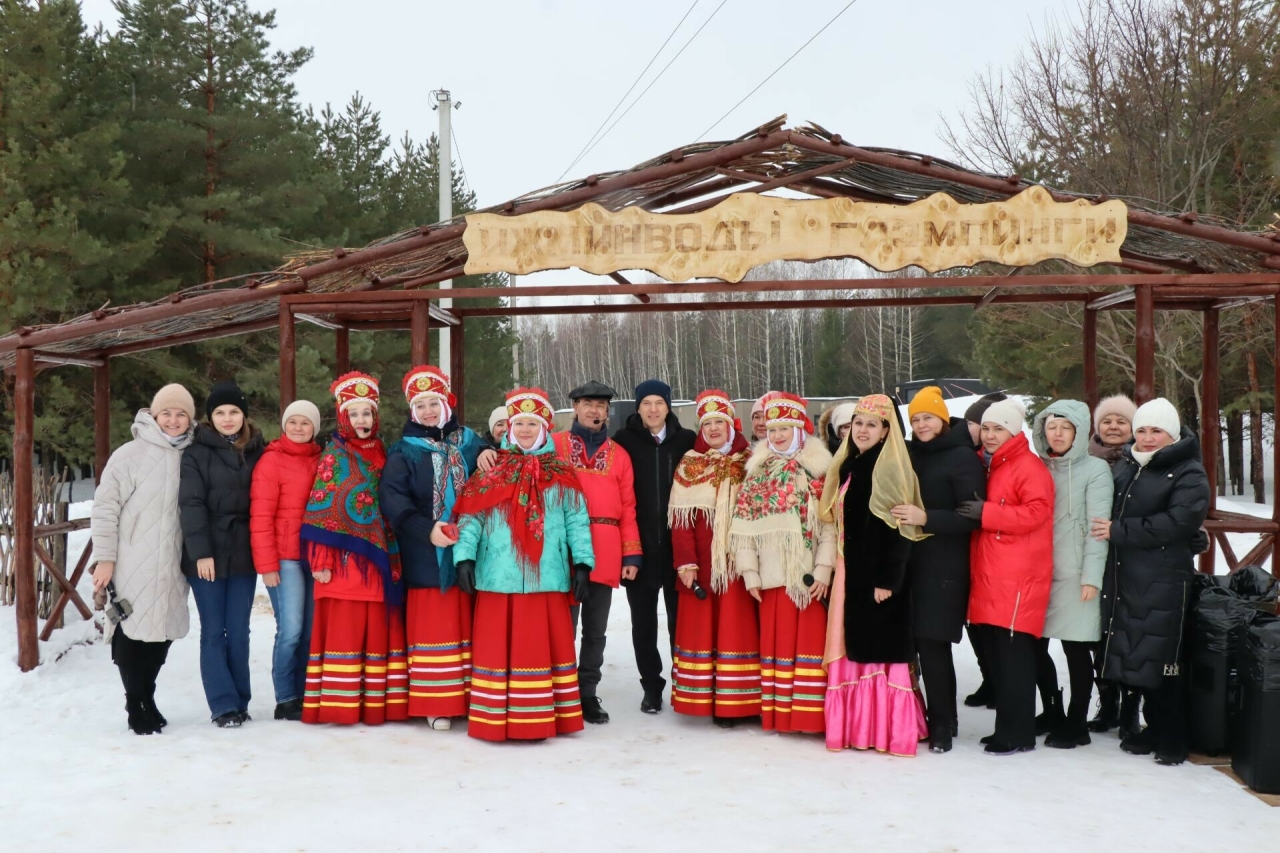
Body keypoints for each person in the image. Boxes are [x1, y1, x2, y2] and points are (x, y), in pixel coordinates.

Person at [453, 387, 594, 742]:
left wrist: (582, 564)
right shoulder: (490, 469)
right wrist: (464, 558)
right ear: (509, 429)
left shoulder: (561, 471)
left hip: (545, 576)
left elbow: (577, 521)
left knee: (537, 647)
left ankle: (540, 719)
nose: (526, 430)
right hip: (497, 577)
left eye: (532, 423)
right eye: (519, 424)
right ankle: (494, 718)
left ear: (544, 428)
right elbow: (471, 516)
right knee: (497, 649)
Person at [1092, 398, 1209, 766]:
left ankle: (1173, 737)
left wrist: (1118, 531)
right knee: (1138, 655)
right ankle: (1152, 727)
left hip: (1163, 579)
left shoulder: (1188, 471)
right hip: (1128, 577)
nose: (1146, 437)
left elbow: (1178, 523)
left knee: (1165, 661)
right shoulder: (1129, 467)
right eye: (1141, 430)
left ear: (1171, 433)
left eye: (1155, 430)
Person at [380, 366, 488, 730]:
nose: (428, 411)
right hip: (426, 554)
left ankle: (473, 697)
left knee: (470, 621)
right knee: (435, 625)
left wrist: (490, 453)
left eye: (433, 403)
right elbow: (393, 502)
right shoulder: (403, 452)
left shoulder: (471, 443)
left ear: (446, 404)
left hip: (472, 550)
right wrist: (428, 531)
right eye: (421, 405)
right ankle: (437, 702)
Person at [822, 394, 929, 755]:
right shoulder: (853, 463)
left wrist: (888, 580)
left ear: (886, 431)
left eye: (872, 424)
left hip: (877, 577)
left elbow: (900, 532)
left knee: (880, 652)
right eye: (858, 423)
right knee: (854, 647)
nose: (863, 430)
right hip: (851, 571)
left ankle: (886, 731)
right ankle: (857, 727)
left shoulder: (890, 469)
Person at [301, 373, 409, 726]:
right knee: (346, 629)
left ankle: (376, 704)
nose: (362, 420)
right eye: (355, 413)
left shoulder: (384, 452)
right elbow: (322, 508)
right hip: (344, 562)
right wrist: (321, 559)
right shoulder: (334, 456)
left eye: (367, 413)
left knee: (376, 627)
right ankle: (341, 705)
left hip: (379, 559)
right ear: (344, 417)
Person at [91, 385, 197, 735]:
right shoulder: (129, 454)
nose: (173, 419)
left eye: (181, 414)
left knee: (162, 632)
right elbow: (105, 508)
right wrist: (104, 558)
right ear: (154, 415)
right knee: (132, 631)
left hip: (174, 559)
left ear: (190, 419)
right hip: (133, 556)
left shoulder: (194, 454)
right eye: (166, 412)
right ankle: (135, 701)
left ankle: (147, 695)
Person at [730, 391, 836, 734]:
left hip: (804, 575)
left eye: (784, 430)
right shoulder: (757, 472)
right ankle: (779, 715)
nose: (776, 436)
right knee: (776, 643)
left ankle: (808, 716)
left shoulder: (818, 470)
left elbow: (830, 526)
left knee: (807, 643)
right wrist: (750, 573)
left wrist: (823, 569)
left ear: (799, 432)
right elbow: (743, 528)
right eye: (772, 430)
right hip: (771, 575)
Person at [890, 385, 987, 753]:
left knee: (933, 644)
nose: (921, 424)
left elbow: (972, 514)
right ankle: (925, 716)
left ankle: (943, 723)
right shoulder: (912, 453)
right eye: (915, 419)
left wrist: (925, 517)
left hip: (944, 564)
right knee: (914, 643)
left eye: (928, 417)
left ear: (942, 418)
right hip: (911, 562)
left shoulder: (962, 457)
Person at [961, 398, 1054, 755]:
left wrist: (986, 513)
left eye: (998, 428)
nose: (990, 434)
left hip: (1019, 577)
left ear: (1014, 430)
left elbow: (1036, 513)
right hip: (997, 574)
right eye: (986, 428)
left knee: (1015, 659)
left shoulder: (1027, 466)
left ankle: (1018, 734)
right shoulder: (995, 464)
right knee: (1001, 657)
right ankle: (1010, 728)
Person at [552, 380, 643, 725]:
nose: (594, 410)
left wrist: (631, 554)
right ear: (574, 407)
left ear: (608, 412)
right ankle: (560, 690)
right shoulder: (555, 444)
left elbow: (629, 507)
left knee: (595, 628)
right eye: (587, 403)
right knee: (564, 624)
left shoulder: (619, 454)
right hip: (564, 547)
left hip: (606, 546)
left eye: (601, 405)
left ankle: (587, 692)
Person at [668, 390, 759, 725]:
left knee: (737, 629)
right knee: (703, 629)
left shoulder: (750, 460)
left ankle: (737, 703)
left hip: (740, 562)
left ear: (731, 424)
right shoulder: (691, 462)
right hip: (703, 567)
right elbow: (680, 520)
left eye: (720, 421)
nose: (714, 429)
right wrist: (686, 563)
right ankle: (701, 700)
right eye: (708, 424)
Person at [179, 380, 265, 728]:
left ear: (243, 415)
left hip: (244, 550)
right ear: (209, 417)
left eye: (233, 412)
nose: (227, 418)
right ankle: (223, 704)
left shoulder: (260, 449)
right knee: (214, 630)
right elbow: (191, 503)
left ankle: (241, 700)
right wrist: (201, 553)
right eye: (219, 412)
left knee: (239, 629)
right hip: (207, 552)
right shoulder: (196, 451)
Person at [1031, 400, 1113, 748]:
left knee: (1076, 651)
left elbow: (1098, 528)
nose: (1058, 433)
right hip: (1037, 573)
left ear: (1079, 432)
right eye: (1051, 426)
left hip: (1077, 575)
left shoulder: (1096, 470)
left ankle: (1076, 721)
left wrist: (1091, 577)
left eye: (1066, 427)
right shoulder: (1038, 467)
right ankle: (1052, 708)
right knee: (1034, 648)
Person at [612, 378, 697, 713]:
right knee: (643, 622)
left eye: (659, 403)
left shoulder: (687, 441)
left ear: (668, 406)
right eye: (646, 403)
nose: (652, 409)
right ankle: (651, 686)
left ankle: (685, 682)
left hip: (679, 550)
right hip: (640, 549)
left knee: (682, 620)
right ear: (637, 407)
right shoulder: (623, 441)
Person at [249, 399, 323, 722]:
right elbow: (260, 516)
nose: (298, 428)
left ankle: (306, 691)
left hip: (314, 558)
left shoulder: (322, 460)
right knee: (290, 630)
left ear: (314, 428)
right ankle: (286, 697)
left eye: (305, 423)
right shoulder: (271, 462)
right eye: (292, 422)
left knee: (310, 631)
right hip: (285, 559)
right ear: (283, 425)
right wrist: (267, 566)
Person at [1085, 393, 1141, 738]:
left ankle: (1132, 710)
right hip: (1095, 561)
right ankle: (1107, 704)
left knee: (1130, 635)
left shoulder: (1142, 461)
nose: (1114, 426)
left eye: (1121, 421)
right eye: (1107, 421)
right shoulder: (1086, 460)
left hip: (1130, 558)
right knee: (1098, 635)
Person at [958, 390, 1006, 709]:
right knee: (974, 622)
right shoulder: (968, 455)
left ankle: (1000, 682)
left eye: (986, 425)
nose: (980, 432)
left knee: (992, 626)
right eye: (976, 423)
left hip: (996, 553)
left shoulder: (1001, 460)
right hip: (967, 549)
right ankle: (989, 678)